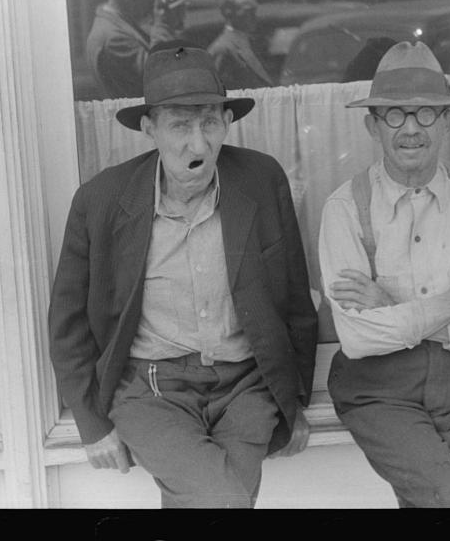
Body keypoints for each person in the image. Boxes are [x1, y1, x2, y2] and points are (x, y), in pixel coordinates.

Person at [48, 40, 318, 508]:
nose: (199, 143)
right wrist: (92, 423)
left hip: (246, 389)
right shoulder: (102, 200)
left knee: (215, 502)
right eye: (179, 125)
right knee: (223, 500)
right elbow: (68, 323)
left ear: (228, 123)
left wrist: (296, 401)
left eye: (210, 122)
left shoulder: (260, 179)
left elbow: (294, 298)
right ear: (149, 128)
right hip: (151, 391)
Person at [318, 40, 450, 508]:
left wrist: (392, 308)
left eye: (426, 113)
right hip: (380, 394)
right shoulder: (345, 209)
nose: (410, 129)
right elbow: (358, 337)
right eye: (394, 113)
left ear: (448, 122)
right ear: (372, 125)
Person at [85, 0, 186, 99]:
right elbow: (160, 72)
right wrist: (163, 24)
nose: (152, 3)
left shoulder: (118, 23)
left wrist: (174, 23)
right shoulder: (114, 38)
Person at [207, 0, 273, 90]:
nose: (254, 17)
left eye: (254, 12)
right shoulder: (223, 49)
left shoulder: (251, 43)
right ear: (228, 13)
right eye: (248, 12)